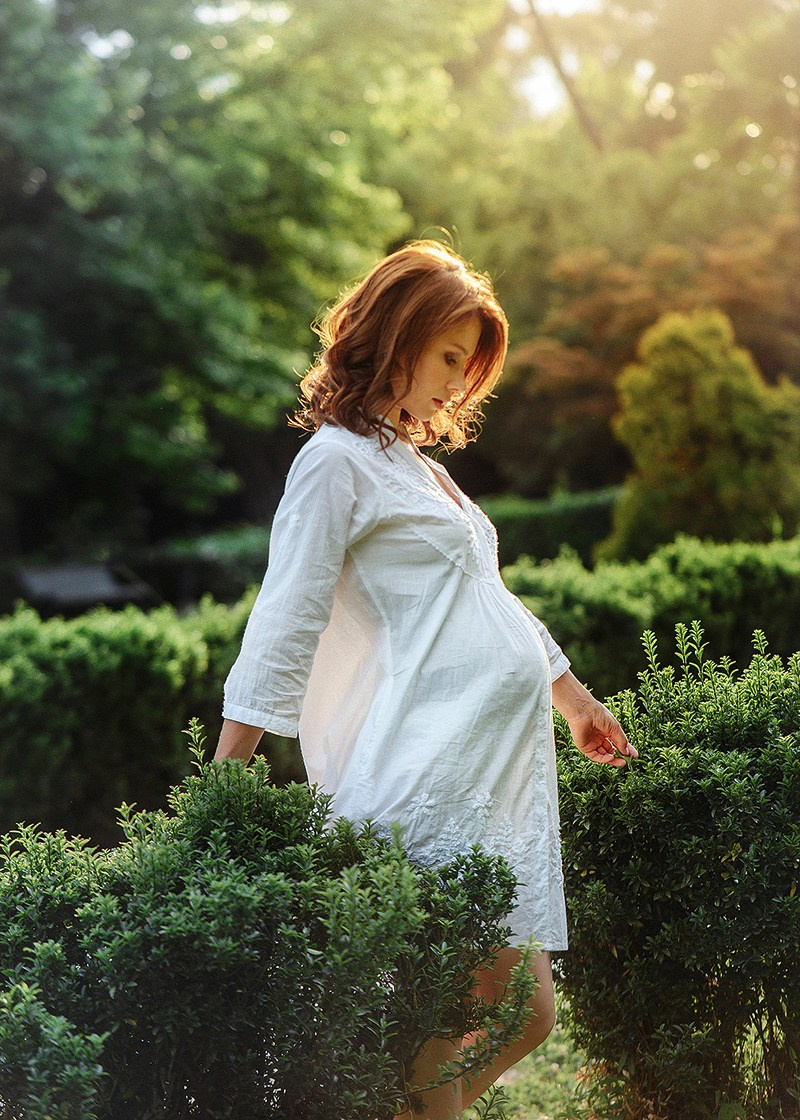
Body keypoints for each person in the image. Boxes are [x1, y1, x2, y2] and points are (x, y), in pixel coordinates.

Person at [215, 240, 636, 1119]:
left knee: (527, 1015)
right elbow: (286, 612)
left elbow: (487, 598)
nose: (459, 386)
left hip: (487, 781)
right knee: (446, 1026)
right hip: (421, 776)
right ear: (396, 336)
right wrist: (231, 770)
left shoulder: (422, 471)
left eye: (469, 368)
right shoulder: (334, 462)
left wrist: (573, 698)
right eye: (450, 358)